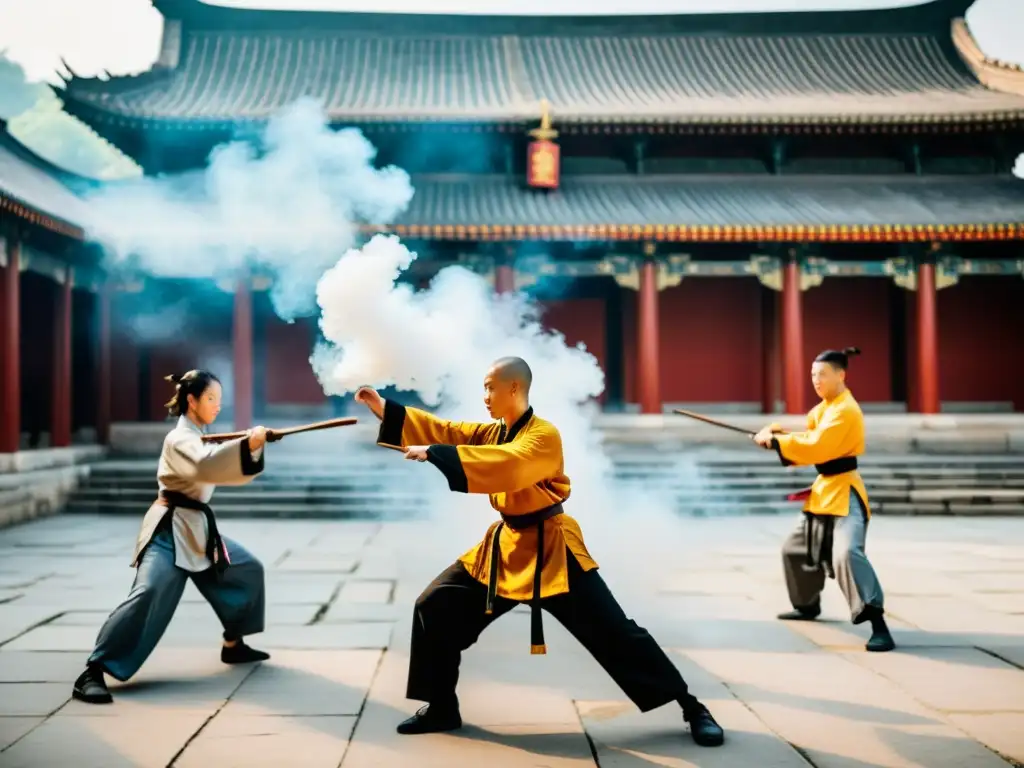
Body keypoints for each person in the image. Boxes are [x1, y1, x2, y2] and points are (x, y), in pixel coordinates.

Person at [355, 357, 725, 747]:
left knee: (618, 634)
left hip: (553, 550)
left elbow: (510, 465)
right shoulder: (494, 431)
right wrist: (386, 409)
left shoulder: (543, 435)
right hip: (504, 548)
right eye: (483, 388)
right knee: (434, 605)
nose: (484, 397)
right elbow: (448, 430)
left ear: (514, 388)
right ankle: (442, 705)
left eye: (490, 388)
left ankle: (692, 706)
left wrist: (435, 453)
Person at [72, 370, 272, 704]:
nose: (217, 406)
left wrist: (248, 447)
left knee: (246, 569)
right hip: (169, 530)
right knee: (149, 591)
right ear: (191, 400)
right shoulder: (179, 439)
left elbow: (214, 458)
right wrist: (247, 445)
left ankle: (233, 644)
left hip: (199, 529)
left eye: (219, 401)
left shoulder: (197, 436)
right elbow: (206, 466)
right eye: (211, 399)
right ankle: (93, 670)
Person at [753, 347, 895, 653]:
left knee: (848, 554)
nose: (816, 380)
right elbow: (807, 437)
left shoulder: (846, 409)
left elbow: (818, 447)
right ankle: (807, 605)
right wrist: (777, 433)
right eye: (813, 375)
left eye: (823, 375)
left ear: (841, 375)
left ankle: (878, 623)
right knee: (794, 548)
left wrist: (776, 441)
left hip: (844, 492)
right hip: (823, 490)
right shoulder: (823, 409)